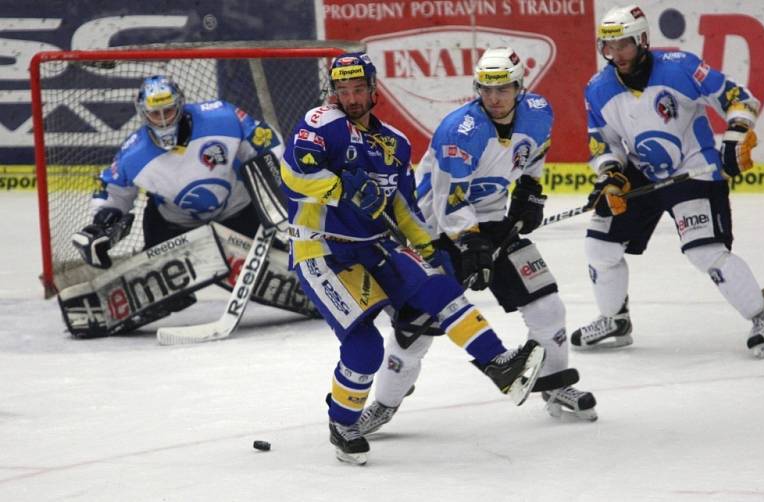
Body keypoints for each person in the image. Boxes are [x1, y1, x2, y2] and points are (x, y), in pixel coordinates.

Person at [280, 52, 545, 465]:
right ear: (333, 92)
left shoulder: (395, 143)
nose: (350, 98)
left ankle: (498, 365)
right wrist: (339, 188)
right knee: (365, 348)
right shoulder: (321, 123)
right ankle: (343, 422)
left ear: (372, 90)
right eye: (343, 90)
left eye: (358, 89)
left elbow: (403, 208)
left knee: (439, 285)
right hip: (323, 247)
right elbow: (294, 176)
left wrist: (430, 249)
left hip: (374, 242)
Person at [357, 47, 598, 437]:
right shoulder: (462, 131)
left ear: (520, 87)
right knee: (415, 330)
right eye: (486, 89)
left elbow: (535, 154)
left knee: (547, 304)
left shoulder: (538, 113)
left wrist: (531, 192)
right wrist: (471, 244)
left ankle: (556, 389)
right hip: (434, 234)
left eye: (503, 89)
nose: (494, 98)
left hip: (490, 223)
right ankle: (383, 405)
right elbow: (448, 199)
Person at [570, 5, 764, 358]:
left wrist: (736, 133)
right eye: (609, 47)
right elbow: (603, 141)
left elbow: (738, 97)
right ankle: (614, 319)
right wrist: (610, 176)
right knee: (600, 246)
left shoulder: (681, 66)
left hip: (693, 167)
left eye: (623, 45)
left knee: (704, 252)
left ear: (641, 40)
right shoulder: (597, 89)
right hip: (642, 173)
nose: (616, 55)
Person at [67, 75, 313, 336]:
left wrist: (276, 183)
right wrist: (101, 225)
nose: (163, 120)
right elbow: (113, 191)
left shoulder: (224, 118)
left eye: (169, 110)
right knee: (161, 280)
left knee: (283, 261)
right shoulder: (133, 154)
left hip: (237, 211)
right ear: (143, 115)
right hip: (174, 225)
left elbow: (264, 142)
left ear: (181, 105)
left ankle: (320, 281)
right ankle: (166, 291)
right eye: (155, 114)